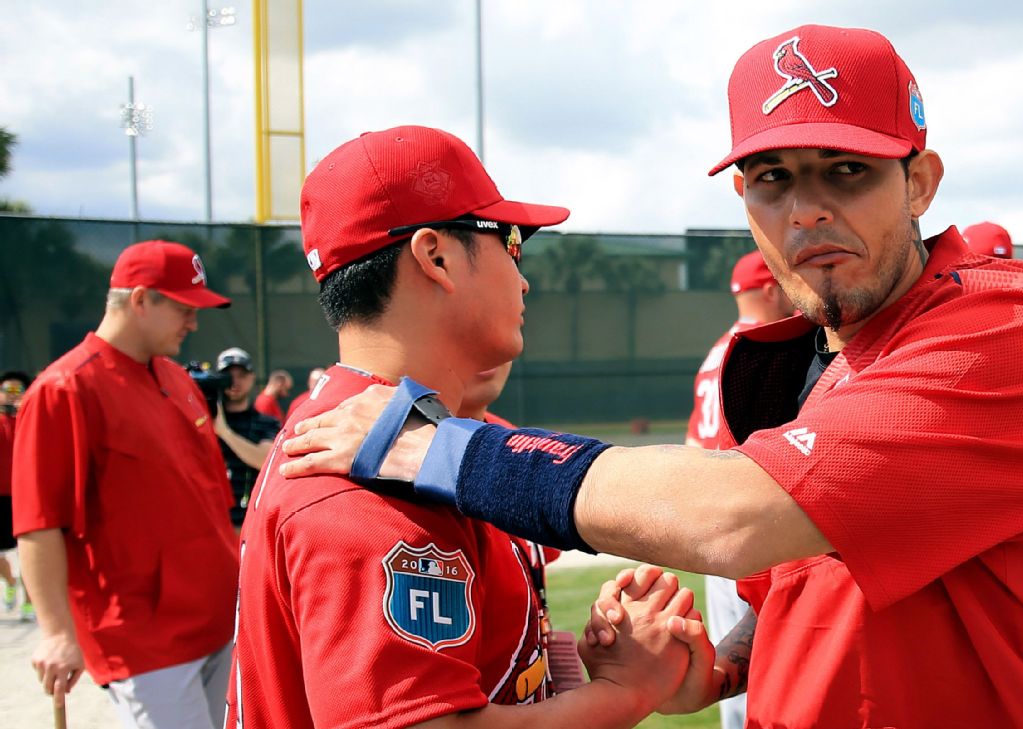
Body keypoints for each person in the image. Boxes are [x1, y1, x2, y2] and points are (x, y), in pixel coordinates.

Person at [281, 26, 1023, 728]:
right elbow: (799, 589)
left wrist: (445, 454)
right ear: (744, 202)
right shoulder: (810, 356)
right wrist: (712, 668)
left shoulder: (1006, 323)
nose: (806, 209)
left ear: (919, 181)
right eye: (773, 179)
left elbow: (739, 520)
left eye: (848, 170)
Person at [226, 125, 697, 728]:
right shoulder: (363, 479)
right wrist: (629, 691)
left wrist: (572, 669)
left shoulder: (409, 432)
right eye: (512, 243)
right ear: (437, 257)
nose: (522, 278)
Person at [11, 240, 239, 729]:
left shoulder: (178, 378)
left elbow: (214, 500)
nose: (194, 322)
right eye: (183, 308)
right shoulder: (63, 390)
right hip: (143, 639)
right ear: (140, 300)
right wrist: (55, 632)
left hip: (219, 619)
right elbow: (38, 524)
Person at [684, 249, 793, 729]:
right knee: (774, 669)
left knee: (732, 680)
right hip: (753, 527)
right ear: (771, 289)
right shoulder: (764, 350)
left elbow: (691, 443)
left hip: (714, 529)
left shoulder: (715, 352)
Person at [212, 347, 281, 529]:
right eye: (228, 375)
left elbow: (264, 460)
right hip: (212, 522)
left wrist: (225, 432)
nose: (235, 382)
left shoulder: (266, 422)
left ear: (251, 378)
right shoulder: (203, 420)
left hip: (249, 524)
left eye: (241, 375)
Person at [1, 370, 32, 617]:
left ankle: (29, 602)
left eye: (17, 391)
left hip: (27, 496)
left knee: (31, 554)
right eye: (7, 391)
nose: (12, 396)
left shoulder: (32, 417)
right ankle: (10, 583)